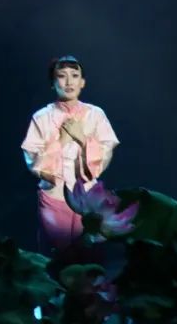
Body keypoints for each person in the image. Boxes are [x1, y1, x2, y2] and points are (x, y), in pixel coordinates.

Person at [20, 55, 120, 254]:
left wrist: (82, 138)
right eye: (62, 76)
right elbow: (33, 159)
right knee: (59, 254)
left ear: (82, 82)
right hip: (53, 195)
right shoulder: (41, 117)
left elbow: (106, 151)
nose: (69, 82)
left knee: (88, 254)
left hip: (89, 197)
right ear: (52, 83)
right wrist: (62, 141)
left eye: (74, 75)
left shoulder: (96, 114)